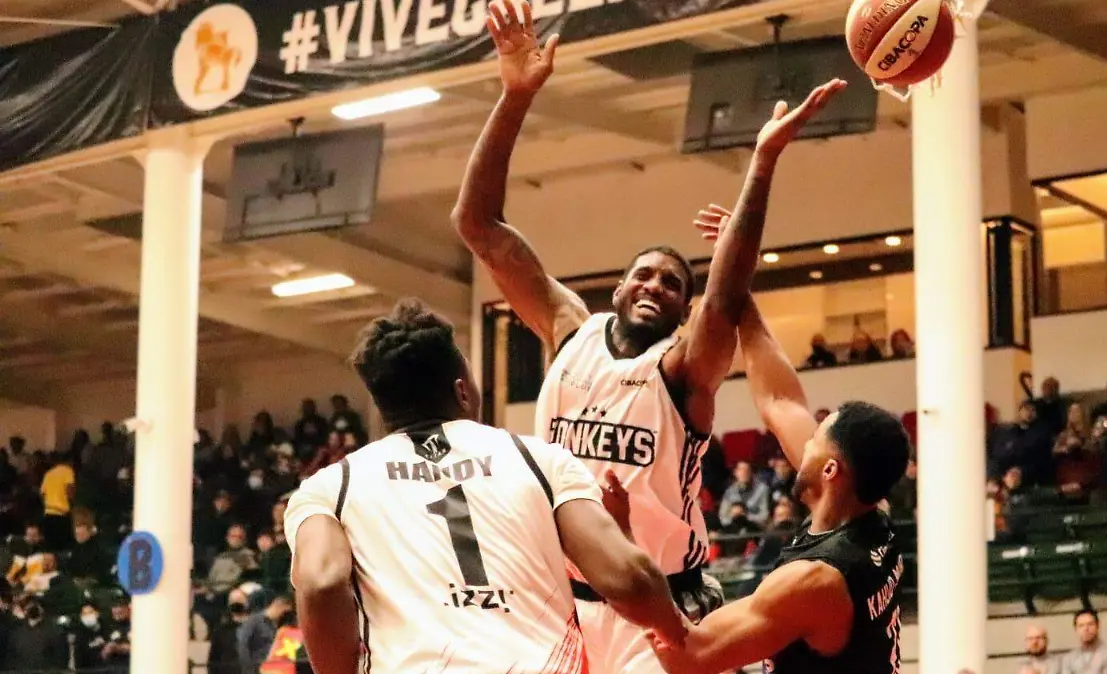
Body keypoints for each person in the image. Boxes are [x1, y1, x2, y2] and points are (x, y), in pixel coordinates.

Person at [450, 2, 847, 671]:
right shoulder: (570, 330)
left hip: (661, 603)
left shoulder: (684, 368)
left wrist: (762, 162)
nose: (655, 286)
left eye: (671, 283)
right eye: (644, 274)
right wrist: (515, 97)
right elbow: (477, 225)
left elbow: (727, 294)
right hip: (562, 600)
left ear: (684, 309)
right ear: (618, 289)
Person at [285, 299, 687, 674]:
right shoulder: (541, 460)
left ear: (383, 407)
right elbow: (627, 579)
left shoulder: (330, 487)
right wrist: (679, 634)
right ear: (462, 390)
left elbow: (320, 583)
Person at [644, 208, 911, 674]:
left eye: (815, 440)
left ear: (831, 471)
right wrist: (736, 277)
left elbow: (688, 656)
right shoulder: (869, 509)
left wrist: (623, 555)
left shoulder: (816, 581)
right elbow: (780, 399)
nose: (802, 444)